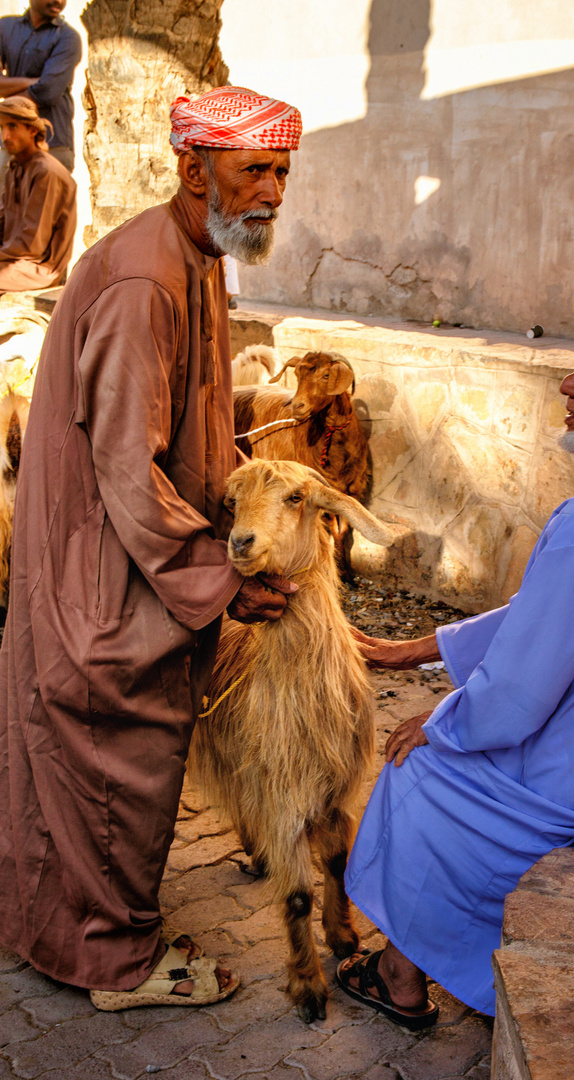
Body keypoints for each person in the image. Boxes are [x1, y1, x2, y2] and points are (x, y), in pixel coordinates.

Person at [0, 85, 302, 1010]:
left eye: (282, 170)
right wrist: (220, 579)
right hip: (105, 574)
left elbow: (188, 424)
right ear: (192, 165)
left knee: (73, 771)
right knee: (109, 759)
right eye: (255, 167)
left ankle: (52, 929)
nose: (273, 190)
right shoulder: (146, 279)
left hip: (119, 558)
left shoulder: (197, 253)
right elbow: (131, 472)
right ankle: (117, 966)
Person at [338, 310, 574, 1028]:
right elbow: (541, 620)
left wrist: (442, 724)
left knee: (415, 770)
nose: (568, 386)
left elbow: (514, 696)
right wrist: (413, 649)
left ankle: (402, 975)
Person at [0, 94, 75, 291]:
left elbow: (32, 246)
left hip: (37, 268)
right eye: (2, 128)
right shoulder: (15, 168)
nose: (5, 136)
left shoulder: (46, 172)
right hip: (12, 260)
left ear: (32, 130)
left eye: (12, 127)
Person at [0, 0, 81, 174]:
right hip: (9, 148)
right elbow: (43, 87)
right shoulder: (4, 28)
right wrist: (32, 82)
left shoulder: (68, 37)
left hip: (52, 146)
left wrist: (7, 94)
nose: (58, 1)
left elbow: (47, 93)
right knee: (6, 202)